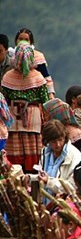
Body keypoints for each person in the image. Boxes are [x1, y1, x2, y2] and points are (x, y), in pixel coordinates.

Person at [1, 41, 49, 171]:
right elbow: (45, 101)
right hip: (32, 120)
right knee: (32, 148)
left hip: (13, 119)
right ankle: (32, 174)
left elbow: (3, 100)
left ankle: (14, 174)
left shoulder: (7, 77)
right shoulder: (38, 77)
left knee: (14, 150)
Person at [37, 119, 81, 195]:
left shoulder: (75, 156)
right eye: (53, 142)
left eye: (60, 140)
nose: (58, 144)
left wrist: (49, 181)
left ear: (65, 138)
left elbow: (73, 187)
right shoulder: (45, 153)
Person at [14, 28, 55, 98]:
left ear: (31, 42)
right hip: (14, 92)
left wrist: (50, 94)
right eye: (20, 39)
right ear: (16, 41)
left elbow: (46, 77)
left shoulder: (38, 57)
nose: (23, 42)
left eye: (26, 40)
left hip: (34, 94)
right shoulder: (11, 56)